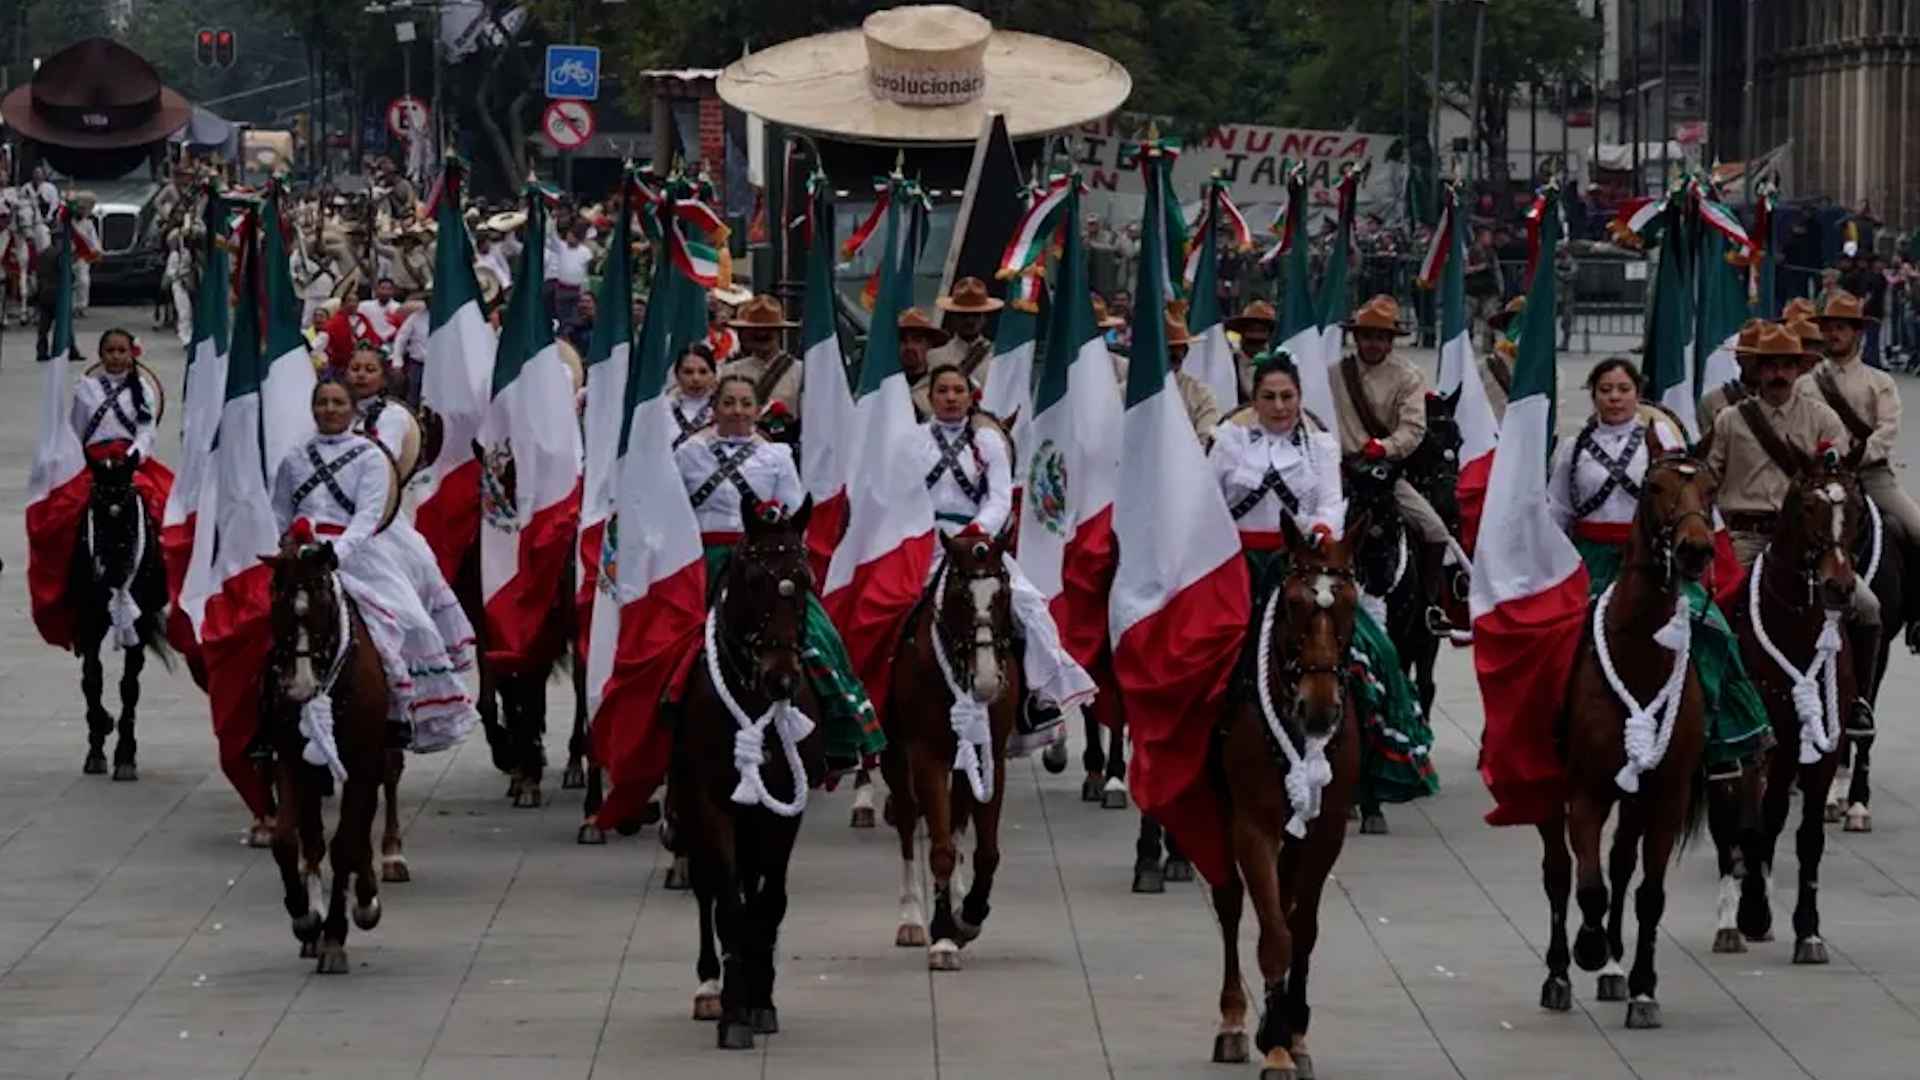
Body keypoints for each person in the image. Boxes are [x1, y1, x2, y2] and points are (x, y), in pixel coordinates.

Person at [1209, 352, 1436, 804]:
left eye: (1287, 396)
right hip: (1236, 567)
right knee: (1200, 656)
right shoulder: (1229, 441)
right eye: (1269, 397)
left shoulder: (1319, 445)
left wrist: (1323, 529)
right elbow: (1207, 501)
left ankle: (1371, 755)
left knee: (1377, 650)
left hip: (1302, 565)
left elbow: (1332, 502)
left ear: (1299, 398)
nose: (1279, 406)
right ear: (1253, 399)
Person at [1548, 357, 1771, 780]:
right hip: (1590, 559)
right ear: (1594, 395)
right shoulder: (1572, 448)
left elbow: (1689, 493)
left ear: (1638, 394)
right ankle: (1554, 731)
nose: (1615, 397)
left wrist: (1708, 542)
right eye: (1606, 389)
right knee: (1559, 640)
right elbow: (1557, 510)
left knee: (1714, 633)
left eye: (1623, 389)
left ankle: (1726, 735)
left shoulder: (1663, 437)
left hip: (1652, 561)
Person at [674, 374, 882, 771]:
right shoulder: (689, 454)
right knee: (668, 638)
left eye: (745, 404)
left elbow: (791, 510)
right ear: (714, 409)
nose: (737, 412)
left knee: (820, 633)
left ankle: (842, 731)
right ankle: (662, 725)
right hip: (702, 559)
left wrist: (774, 533)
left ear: (757, 410)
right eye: (729, 403)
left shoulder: (777, 456)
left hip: (761, 559)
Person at [271, 378, 478, 753]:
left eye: (337, 402)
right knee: (262, 625)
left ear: (352, 410)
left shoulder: (369, 457)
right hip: (302, 555)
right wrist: (288, 545)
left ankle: (398, 711)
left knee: (411, 620)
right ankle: (266, 719)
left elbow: (368, 515)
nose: (329, 410)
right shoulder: (294, 458)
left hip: (357, 552)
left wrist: (337, 552)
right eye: (322, 403)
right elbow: (281, 511)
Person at [1705, 323, 1876, 736]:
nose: (1778, 374)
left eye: (1786, 365)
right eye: (1770, 366)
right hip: (1746, 536)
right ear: (1756, 370)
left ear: (1799, 369)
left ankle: (1856, 701)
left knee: (1868, 608)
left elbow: (1838, 480)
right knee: (1714, 608)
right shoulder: (1730, 419)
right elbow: (1710, 478)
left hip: (1807, 541)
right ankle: (1714, 700)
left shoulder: (1822, 418)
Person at [916, 364, 1094, 752]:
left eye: (957, 390)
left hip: (975, 543)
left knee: (1029, 608)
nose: (950, 398)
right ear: (929, 398)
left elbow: (998, 497)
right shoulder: (912, 441)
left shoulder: (988, 442)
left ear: (969, 397)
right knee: (886, 613)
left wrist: (975, 532)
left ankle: (1038, 699)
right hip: (921, 543)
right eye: (942, 390)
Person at [1328, 294, 1454, 632]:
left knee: (1434, 529)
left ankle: (1429, 607)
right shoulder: (1333, 374)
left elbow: (1413, 429)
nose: (1372, 343)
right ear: (1356, 338)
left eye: (1380, 337)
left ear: (1391, 341)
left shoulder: (1408, 377)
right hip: (1338, 473)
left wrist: (1383, 447)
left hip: (1382, 473)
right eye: (1366, 335)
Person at [71, 328, 173, 519]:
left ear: (131, 354)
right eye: (110, 351)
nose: (116, 356)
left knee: (158, 503)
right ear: (101, 354)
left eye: (121, 350)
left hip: (130, 461)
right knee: (70, 508)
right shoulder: (86, 389)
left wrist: (130, 458)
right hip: (93, 462)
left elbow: (146, 433)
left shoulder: (142, 390)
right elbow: (77, 432)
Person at [719, 295, 803, 421]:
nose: (762, 334)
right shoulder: (730, 371)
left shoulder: (800, 372)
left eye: (768, 330)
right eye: (755, 330)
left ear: (779, 332)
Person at [928, 276, 1002, 389]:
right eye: (963, 315)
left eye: (975, 315)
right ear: (952, 316)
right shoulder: (934, 358)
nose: (969, 321)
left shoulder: (997, 358)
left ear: (984, 318)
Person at [899, 308, 950, 419]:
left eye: (917, 340)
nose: (909, 347)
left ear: (929, 344)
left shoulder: (942, 383)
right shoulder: (883, 385)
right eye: (903, 340)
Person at [1222, 299, 1276, 403]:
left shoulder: (1279, 365)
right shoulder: (1229, 363)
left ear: (1270, 334)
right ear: (1242, 332)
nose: (1255, 335)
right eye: (1251, 330)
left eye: (1261, 330)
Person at [669, 343, 717, 449]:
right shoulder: (663, 409)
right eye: (688, 372)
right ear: (677, 375)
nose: (696, 379)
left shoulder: (723, 410)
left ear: (714, 375)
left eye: (703, 372)